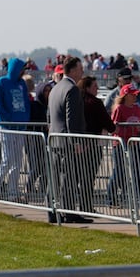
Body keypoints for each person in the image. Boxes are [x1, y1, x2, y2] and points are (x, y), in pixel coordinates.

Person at [46, 57, 92, 222]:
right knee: (68, 177)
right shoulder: (71, 89)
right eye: (80, 68)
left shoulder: (56, 88)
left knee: (55, 177)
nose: (82, 72)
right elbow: (71, 118)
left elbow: (50, 116)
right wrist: (76, 141)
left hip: (55, 138)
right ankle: (69, 212)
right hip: (66, 140)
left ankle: (52, 211)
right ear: (72, 70)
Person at [0, 57, 31, 200]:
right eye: (21, 69)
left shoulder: (22, 84)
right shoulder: (2, 83)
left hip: (20, 128)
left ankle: (13, 192)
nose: (23, 72)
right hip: (6, 128)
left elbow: (26, 103)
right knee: (7, 160)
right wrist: (7, 118)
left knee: (18, 162)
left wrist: (24, 119)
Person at [109, 82, 140, 208]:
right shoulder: (119, 109)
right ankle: (112, 198)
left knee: (138, 171)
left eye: (135, 94)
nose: (134, 97)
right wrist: (129, 131)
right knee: (119, 171)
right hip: (122, 144)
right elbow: (114, 127)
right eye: (132, 94)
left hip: (136, 143)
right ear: (125, 95)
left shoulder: (137, 108)